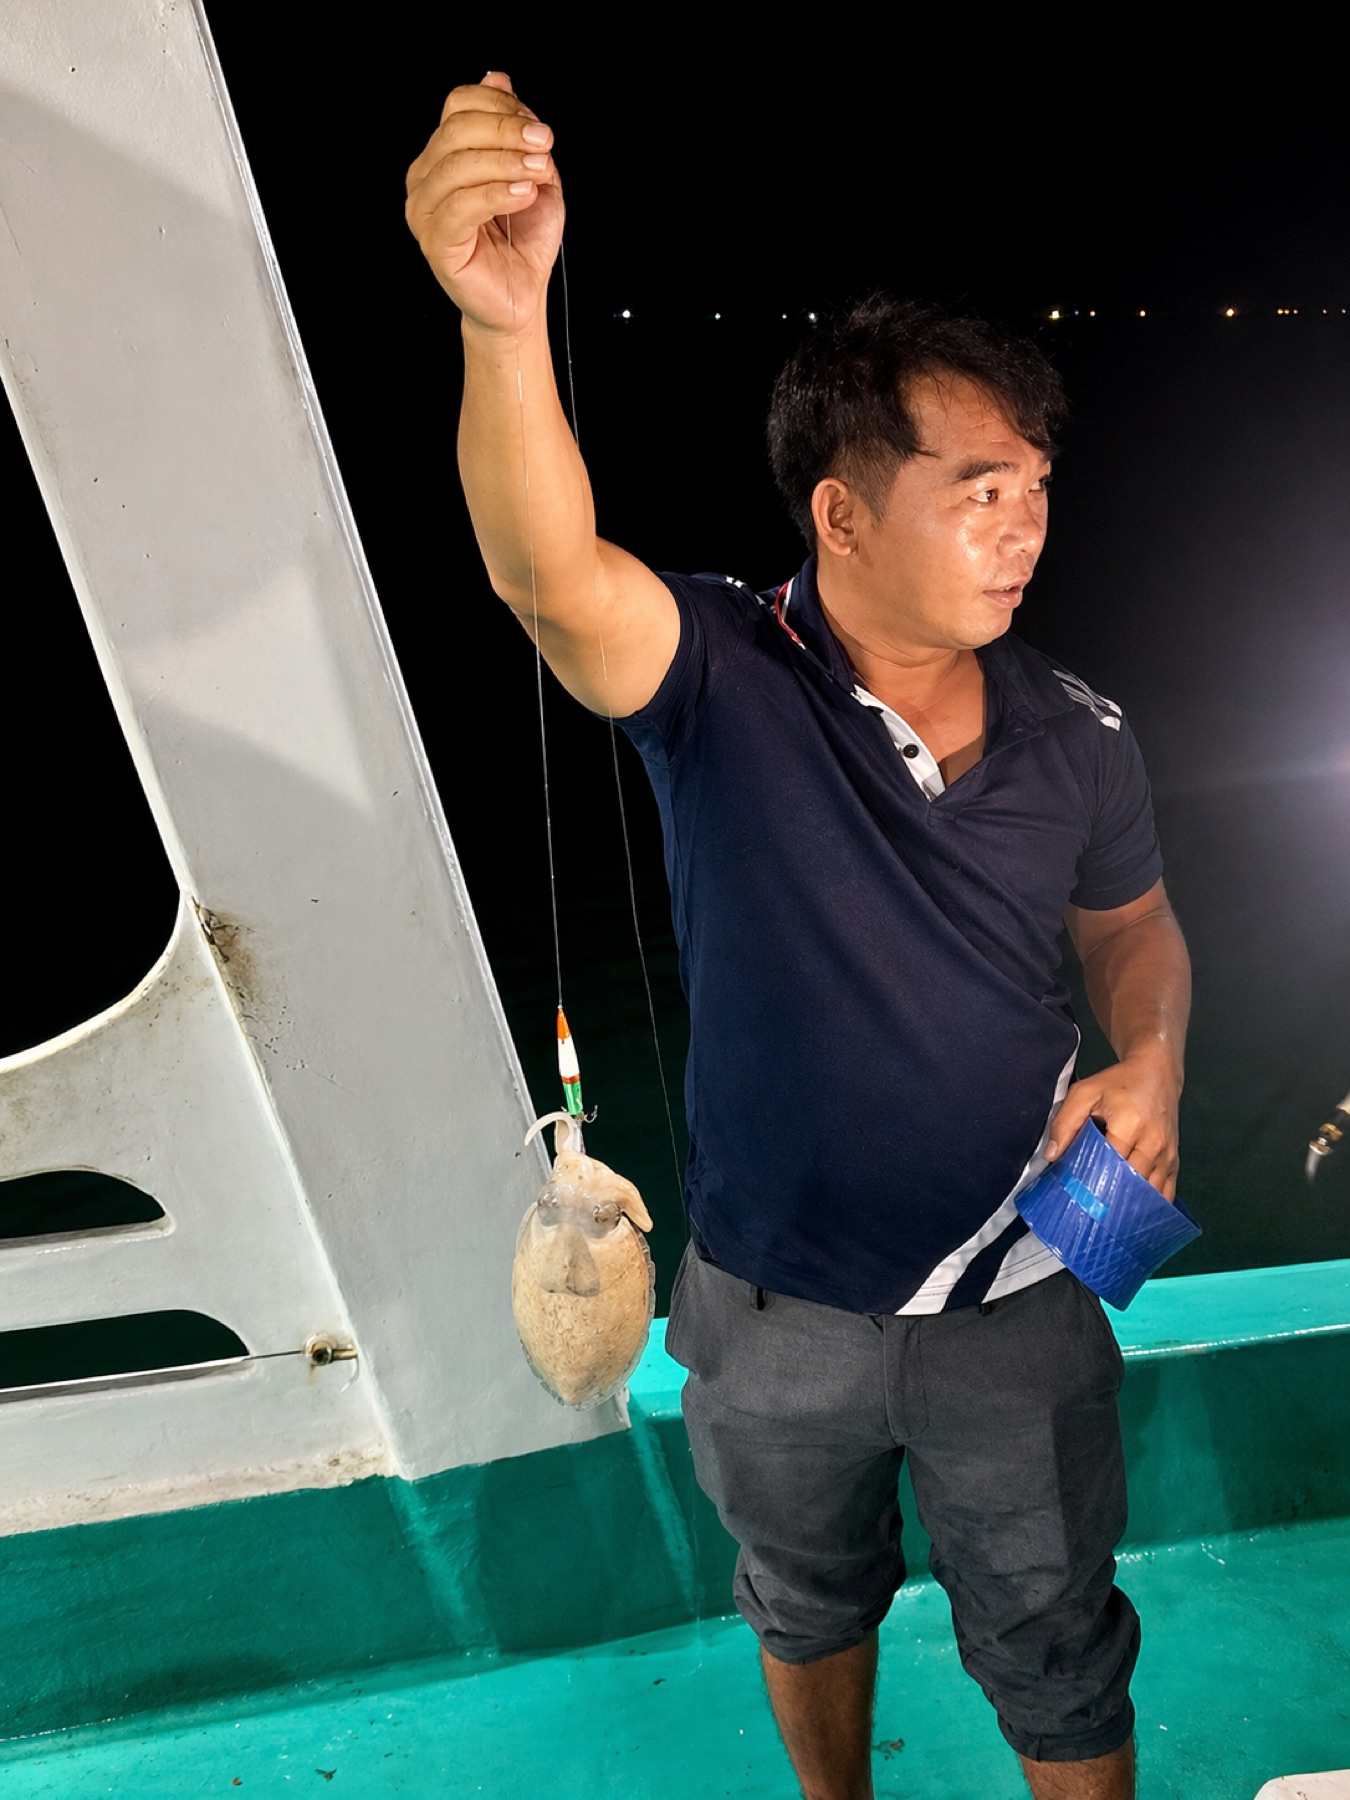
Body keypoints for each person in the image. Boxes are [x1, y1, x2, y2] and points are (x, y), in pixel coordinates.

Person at [405, 74, 1190, 1800]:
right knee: (805, 1595)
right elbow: (545, 572)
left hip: (1028, 1276)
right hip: (768, 1305)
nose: (1025, 521)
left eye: (1035, 484)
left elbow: (1133, 928)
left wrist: (1151, 1061)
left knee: (1059, 1637)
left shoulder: (1081, 728)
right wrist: (503, 321)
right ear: (839, 515)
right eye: (974, 485)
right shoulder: (715, 678)